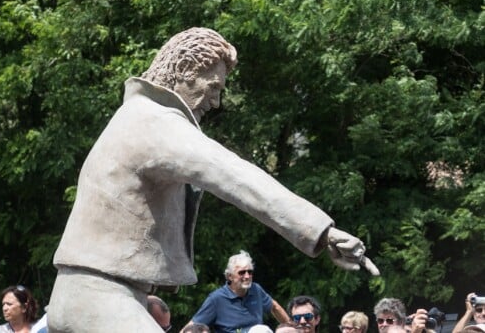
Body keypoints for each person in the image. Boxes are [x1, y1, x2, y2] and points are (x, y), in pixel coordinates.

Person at [48, 27, 379, 332]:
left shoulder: (135, 116)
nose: (217, 101)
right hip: (98, 297)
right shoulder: (155, 122)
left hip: (94, 293)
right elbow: (236, 177)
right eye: (214, 87)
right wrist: (322, 232)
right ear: (185, 72)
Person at [182, 250, 288, 332]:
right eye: (242, 272)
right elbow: (192, 327)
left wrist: (293, 329)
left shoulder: (256, 290)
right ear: (230, 276)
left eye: (249, 272)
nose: (247, 276)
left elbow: (275, 307)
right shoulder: (216, 299)